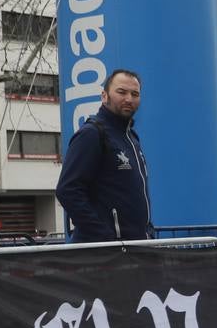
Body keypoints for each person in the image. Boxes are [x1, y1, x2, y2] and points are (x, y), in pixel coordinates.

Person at [55, 68, 152, 243]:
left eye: (135, 94)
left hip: (135, 248)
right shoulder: (92, 134)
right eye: (121, 92)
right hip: (105, 255)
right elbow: (67, 190)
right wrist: (104, 236)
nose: (129, 99)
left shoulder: (132, 137)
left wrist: (147, 230)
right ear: (104, 95)